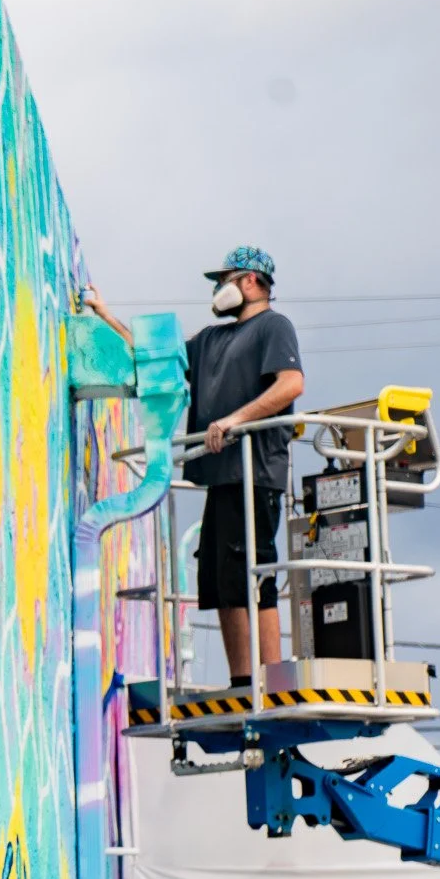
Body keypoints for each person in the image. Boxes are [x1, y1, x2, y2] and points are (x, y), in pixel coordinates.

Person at [84, 246, 304, 688]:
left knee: (254, 572)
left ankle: (275, 683)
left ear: (250, 282)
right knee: (222, 580)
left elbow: (291, 383)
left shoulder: (273, 327)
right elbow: (153, 355)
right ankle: (243, 682)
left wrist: (234, 420)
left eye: (224, 280)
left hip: (254, 471)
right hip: (220, 475)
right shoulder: (209, 339)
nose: (216, 289)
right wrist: (104, 313)